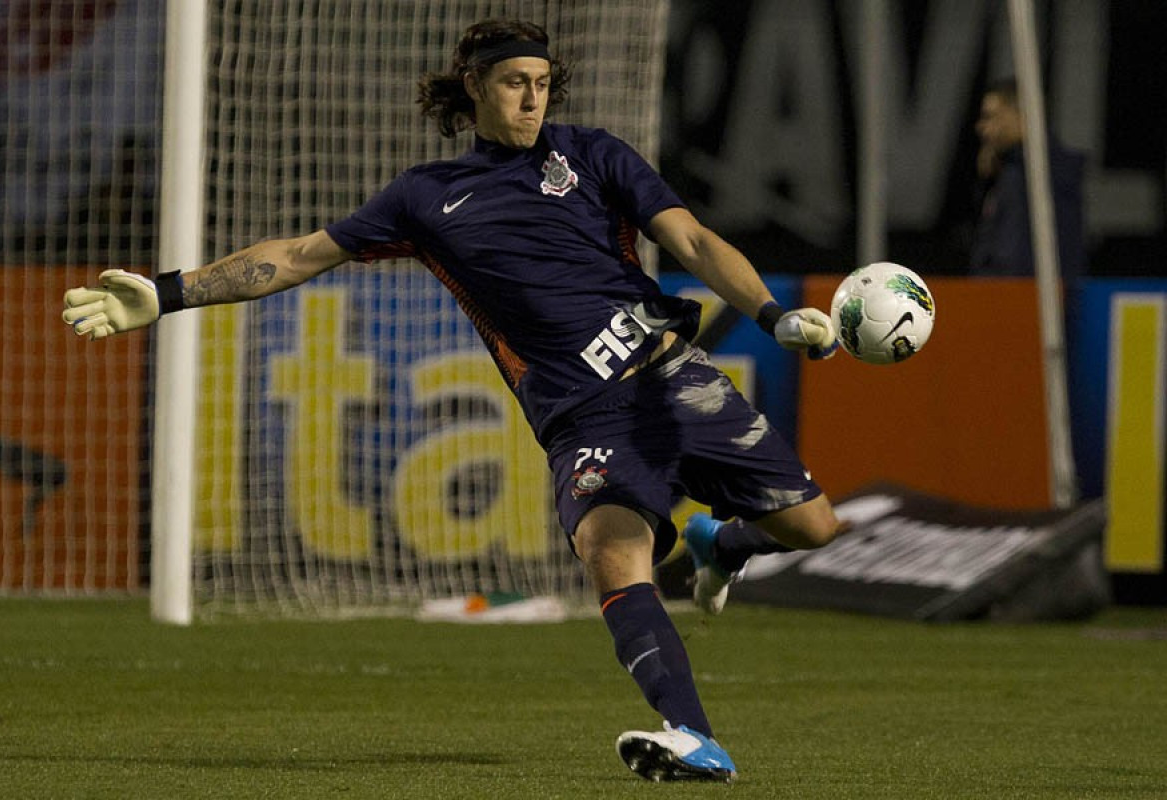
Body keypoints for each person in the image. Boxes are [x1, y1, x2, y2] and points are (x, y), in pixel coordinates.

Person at [62, 19, 847, 783]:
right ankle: (694, 738)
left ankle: (723, 546)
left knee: (814, 526)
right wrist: (167, 294)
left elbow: (695, 242)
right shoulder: (425, 198)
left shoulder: (595, 155)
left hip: (676, 380)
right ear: (474, 88)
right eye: (515, 84)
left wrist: (776, 317)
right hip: (585, 418)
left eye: (542, 85)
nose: (533, 100)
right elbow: (297, 256)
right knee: (611, 552)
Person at [970, 77, 1086, 281]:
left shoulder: (1037, 174)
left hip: (1022, 301)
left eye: (991, 117)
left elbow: (1014, 258)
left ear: (1023, 116)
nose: (981, 127)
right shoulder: (1011, 171)